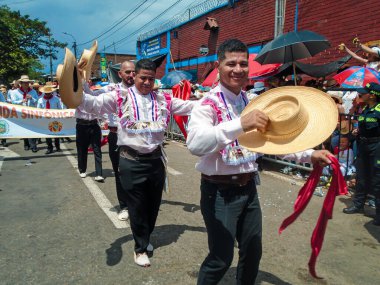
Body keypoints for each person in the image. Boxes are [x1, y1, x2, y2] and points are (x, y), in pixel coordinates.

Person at [186, 39, 333, 285]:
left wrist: (310, 155)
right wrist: (241, 124)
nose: (238, 69)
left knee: (253, 252)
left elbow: (276, 141)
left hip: (249, 188)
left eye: (243, 64)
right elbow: (195, 144)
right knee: (221, 258)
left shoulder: (254, 103)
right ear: (218, 66)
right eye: (231, 63)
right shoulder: (205, 105)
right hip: (219, 192)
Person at [59, 54, 196, 267]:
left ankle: (145, 237)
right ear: (134, 76)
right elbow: (92, 104)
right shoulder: (119, 97)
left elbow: (191, 107)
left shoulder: (163, 99)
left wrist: (216, 99)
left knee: (153, 205)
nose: (147, 83)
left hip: (156, 160)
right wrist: (73, 87)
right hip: (130, 160)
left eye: (151, 79)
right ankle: (140, 247)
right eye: (143, 78)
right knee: (136, 206)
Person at [343, 82, 380, 226]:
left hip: (377, 147)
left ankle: (379, 214)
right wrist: (357, 131)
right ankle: (358, 205)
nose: (360, 95)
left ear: (372, 95)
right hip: (363, 146)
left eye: (363, 93)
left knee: (377, 180)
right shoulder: (364, 109)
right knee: (361, 177)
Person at [107, 60, 136, 221]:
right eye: (127, 72)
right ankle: (124, 205)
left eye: (133, 72)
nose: (131, 75)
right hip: (116, 135)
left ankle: (137, 204)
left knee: (138, 170)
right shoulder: (111, 90)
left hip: (135, 136)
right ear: (120, 74)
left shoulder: (141, 90)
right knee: (120, 172)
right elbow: (90, 97)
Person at [8, 75, 39, 152]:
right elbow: (13, 102)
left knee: (33, 129)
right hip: (20, 113)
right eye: (24, 83)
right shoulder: (15, 92)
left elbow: (37, 102)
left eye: (27, 83)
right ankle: (26, 144)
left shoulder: (33, 91)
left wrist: (31, 98)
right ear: (20, 83)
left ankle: (33, 145)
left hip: (31, 113)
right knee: (24, 128)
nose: (26, 84)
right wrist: (22, 101)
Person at [36, 85, 63, 154]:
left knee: (56, 133)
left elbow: (60, 108)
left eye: (49, 93)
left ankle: (57, 147)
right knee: (47, 134)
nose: (47, 94)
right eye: (46, 93)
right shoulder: (40, 100)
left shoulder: (56, 99)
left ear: (51, 92)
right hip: (45, 119)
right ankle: (49, 147)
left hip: (55, 118)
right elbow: (38, 110)